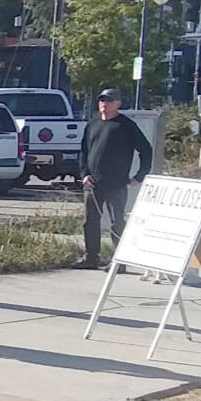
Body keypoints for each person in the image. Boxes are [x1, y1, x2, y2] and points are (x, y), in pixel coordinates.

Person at [73, 87, 152, 270]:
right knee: (90, 221)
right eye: (102, 100)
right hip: (93, 184)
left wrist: (139, 176)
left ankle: (119, 261)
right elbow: (84, 152)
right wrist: (84, 175)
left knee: (117, 221)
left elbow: (146, 151)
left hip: (116, 184)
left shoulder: (125, 126)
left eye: (109, 101)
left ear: (118, 104)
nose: (104, 104)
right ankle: (91, 257)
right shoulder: (92, 124)